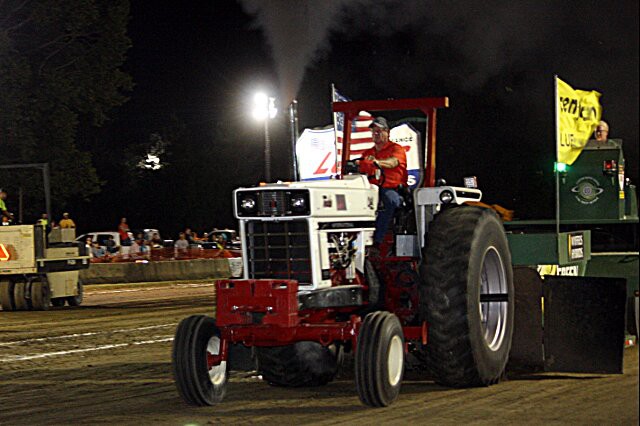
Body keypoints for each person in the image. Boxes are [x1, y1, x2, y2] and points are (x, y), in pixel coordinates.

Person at [356, 116, 407, 247]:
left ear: (387, 132)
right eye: (374, 132)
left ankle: (378, 241)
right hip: (370, 189)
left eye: (379, 131)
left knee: (391, 201)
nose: (376, 134)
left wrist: (377, 162)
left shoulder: (396, 149)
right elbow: (360, 168)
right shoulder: (368, 153)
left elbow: (393, 162)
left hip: (390, 188)